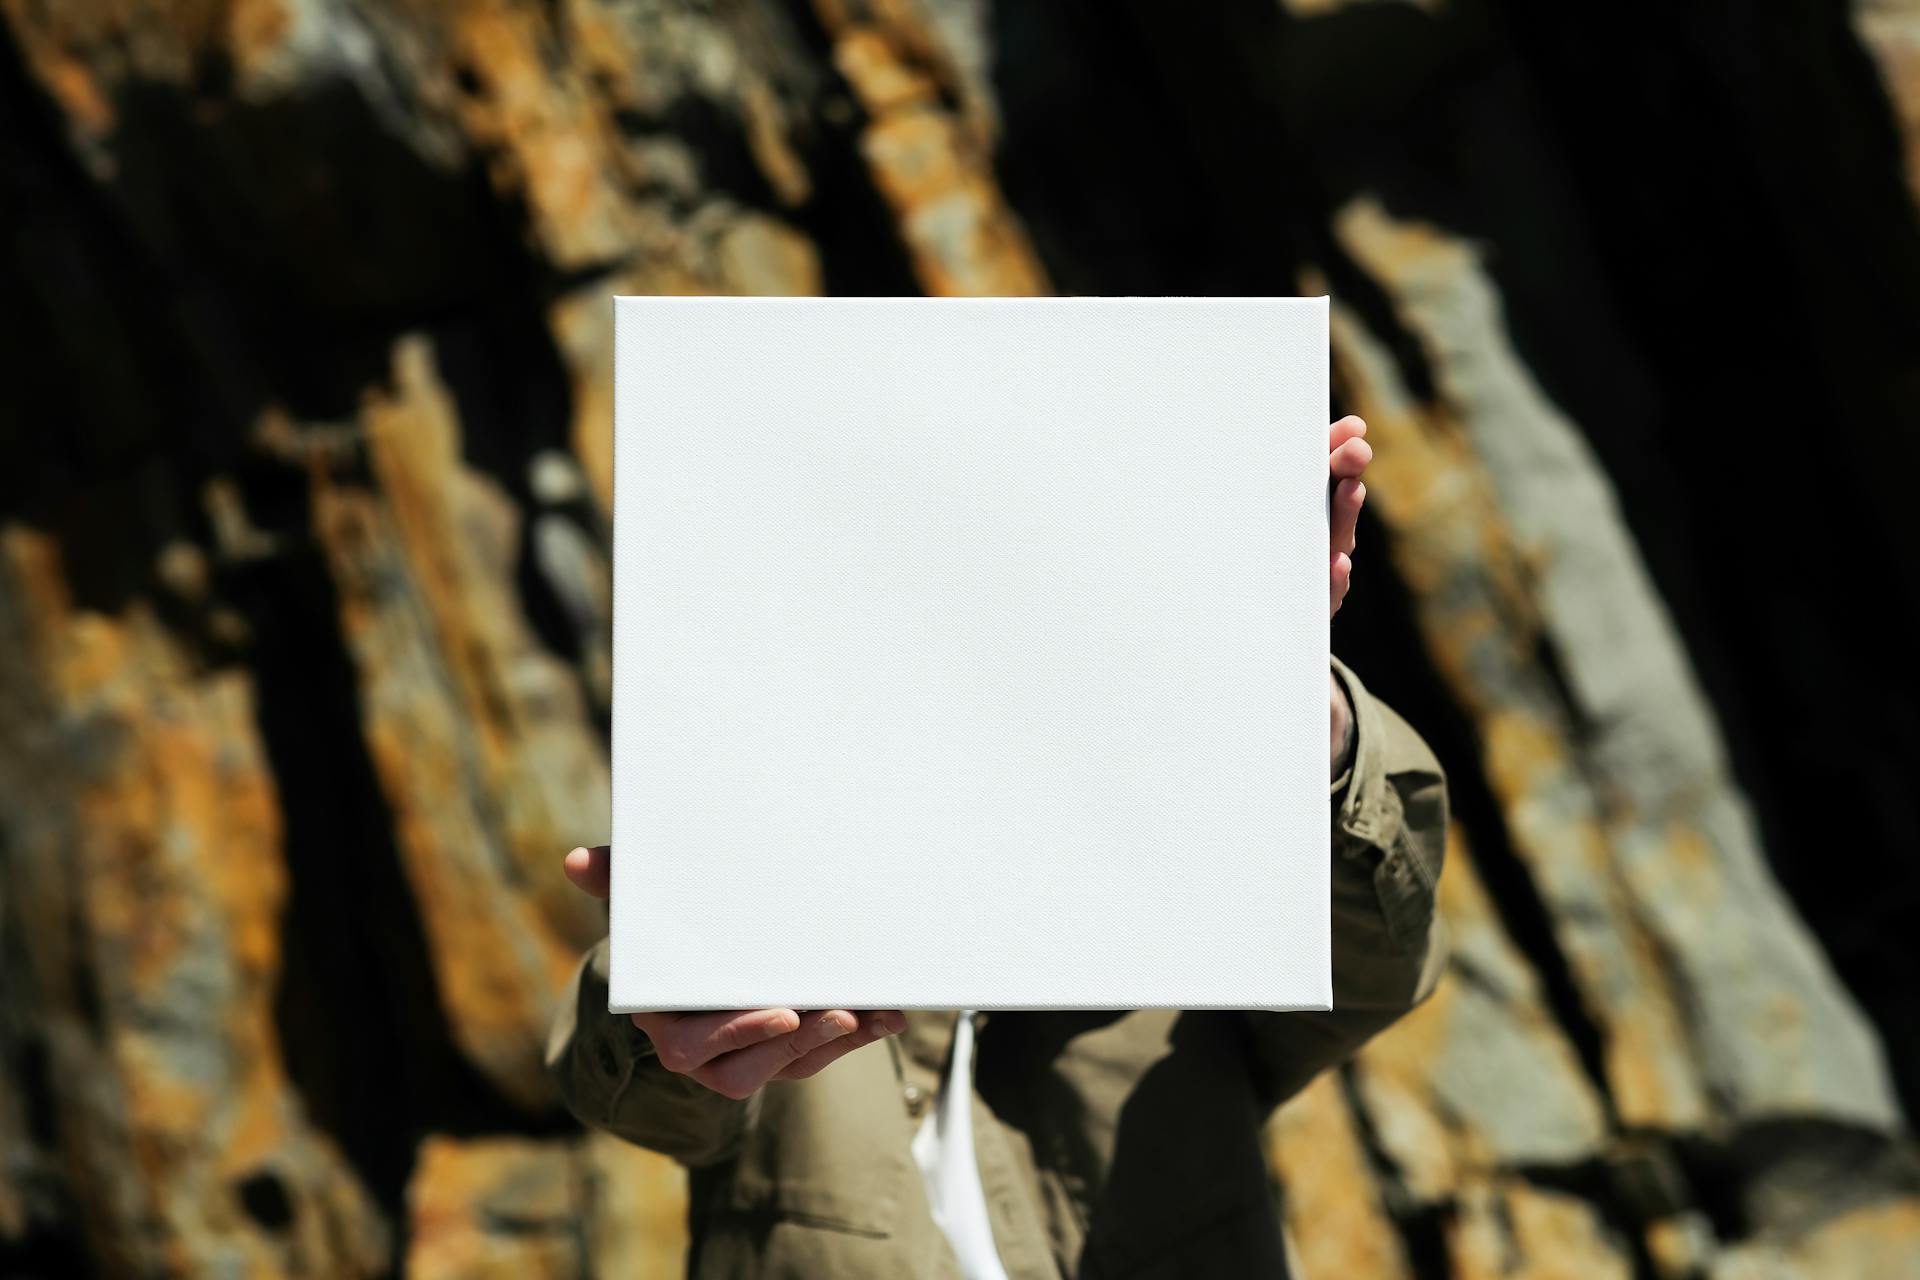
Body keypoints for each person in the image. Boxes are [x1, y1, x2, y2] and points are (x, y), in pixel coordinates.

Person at [546, 415, 1449, 1277]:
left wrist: (1295, 713)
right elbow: (643, 1090)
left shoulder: (1176, 884)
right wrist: (665, 992)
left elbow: (1374, 958)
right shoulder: (771, 864)